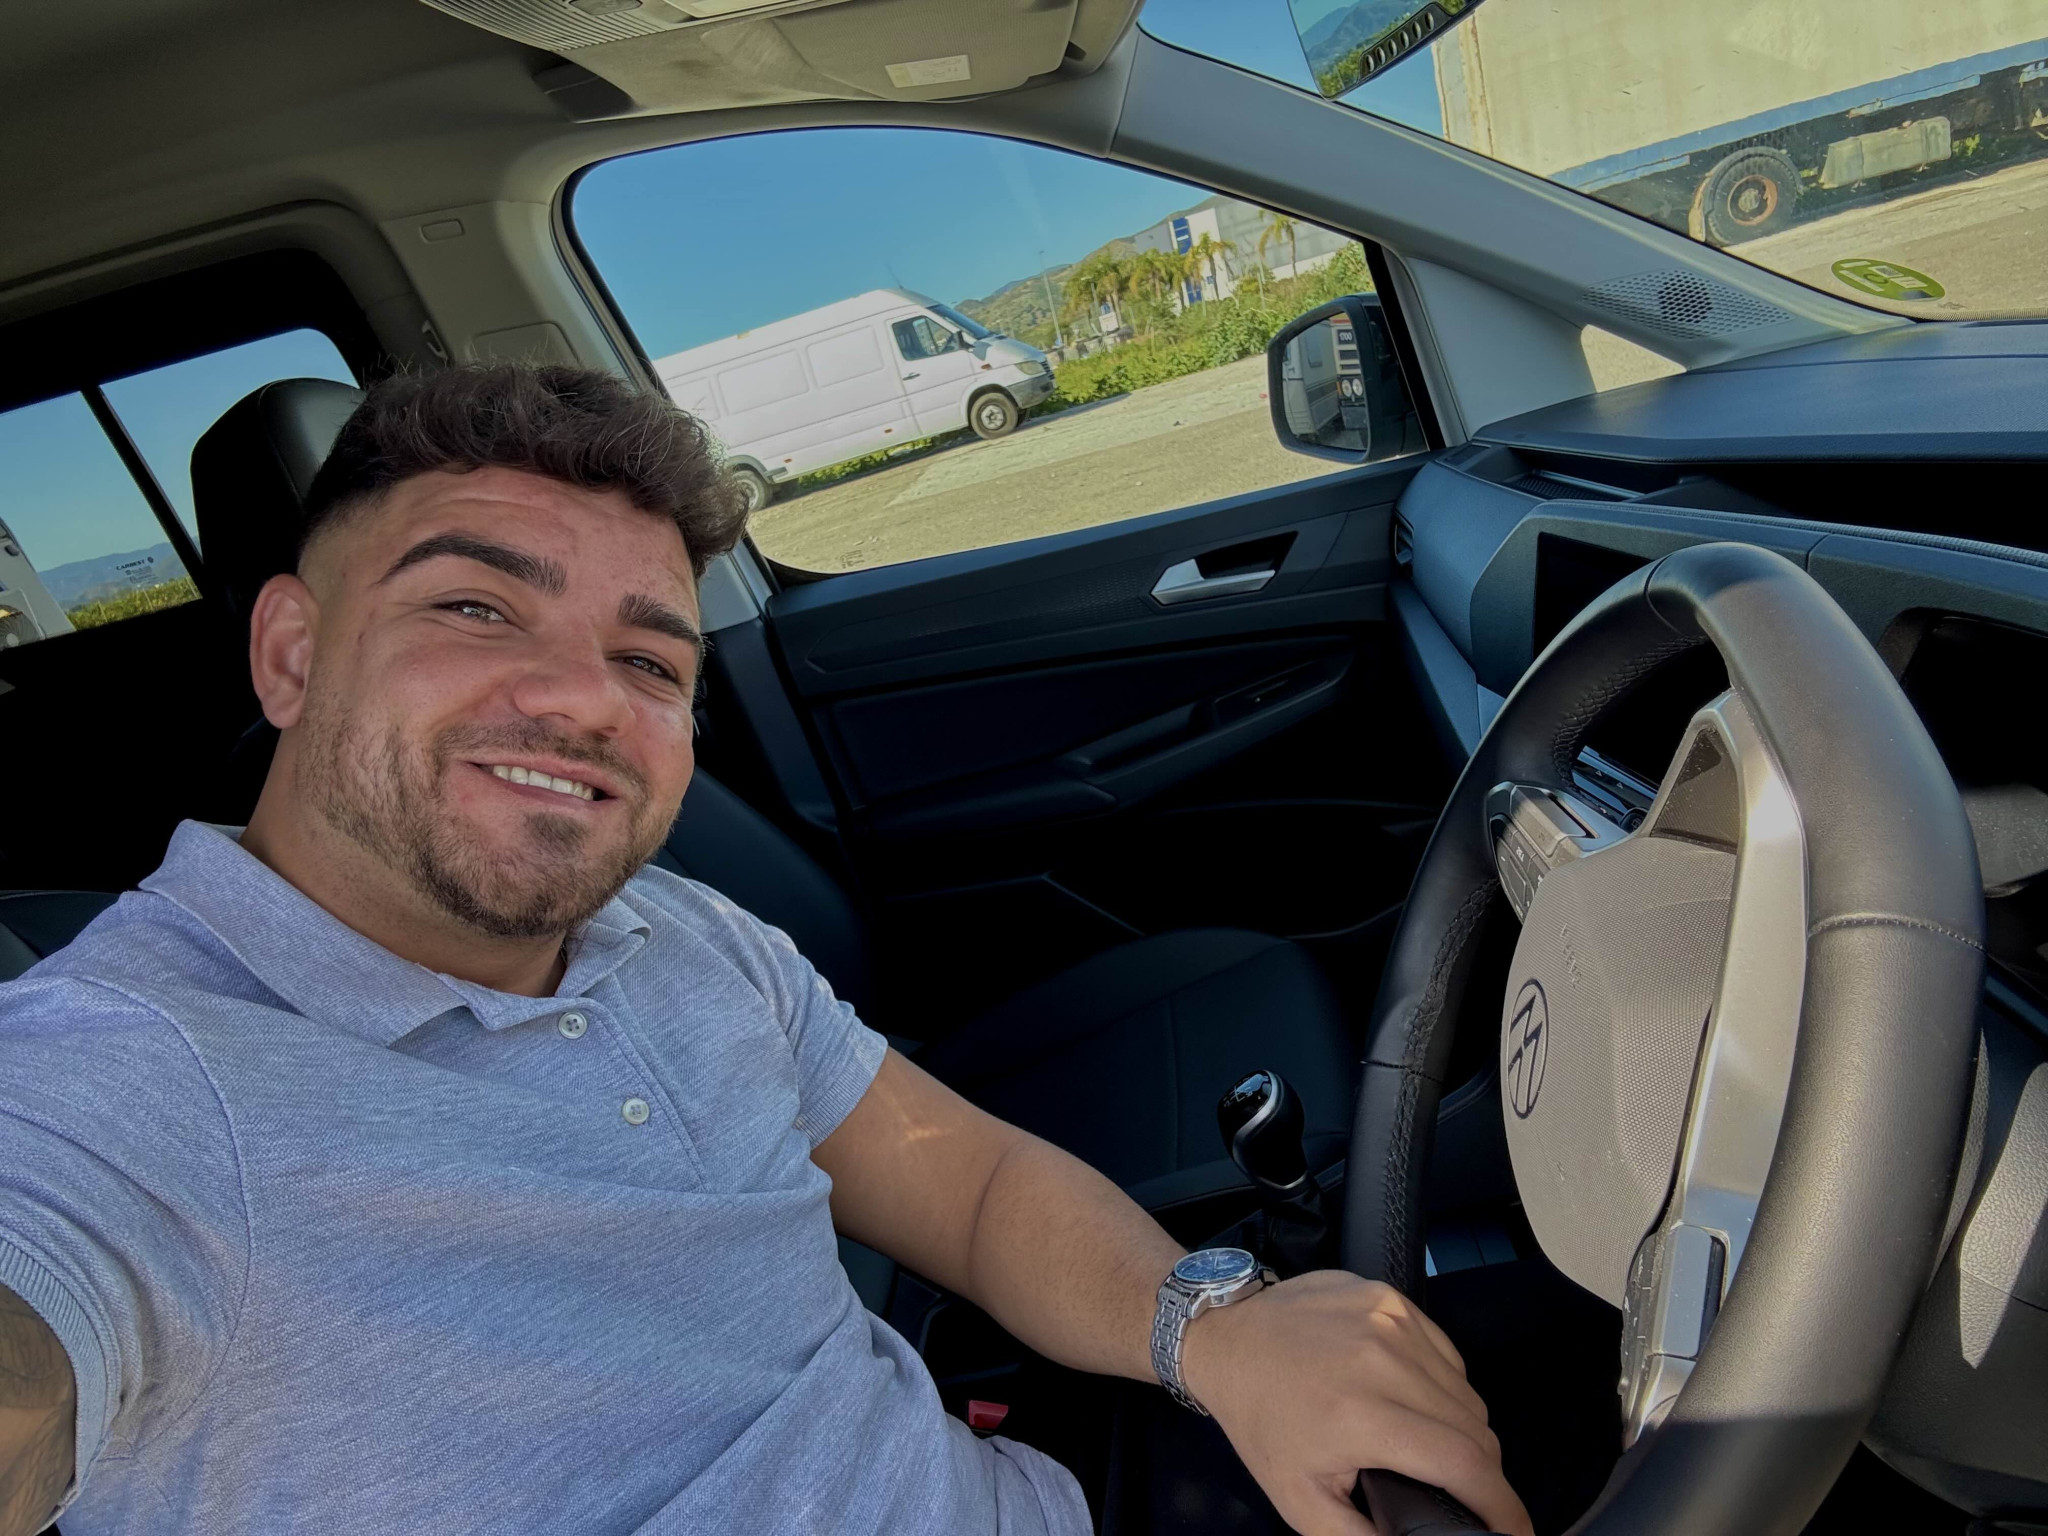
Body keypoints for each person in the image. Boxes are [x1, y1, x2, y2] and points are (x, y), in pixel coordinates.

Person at [0, 365, 1528, 1536]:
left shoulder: (666, 927)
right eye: (475, 606)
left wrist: (1220, 1333)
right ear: (291, 653)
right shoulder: (124, 1084)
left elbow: (971, 1186)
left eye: (646, 659)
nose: (581, 700)